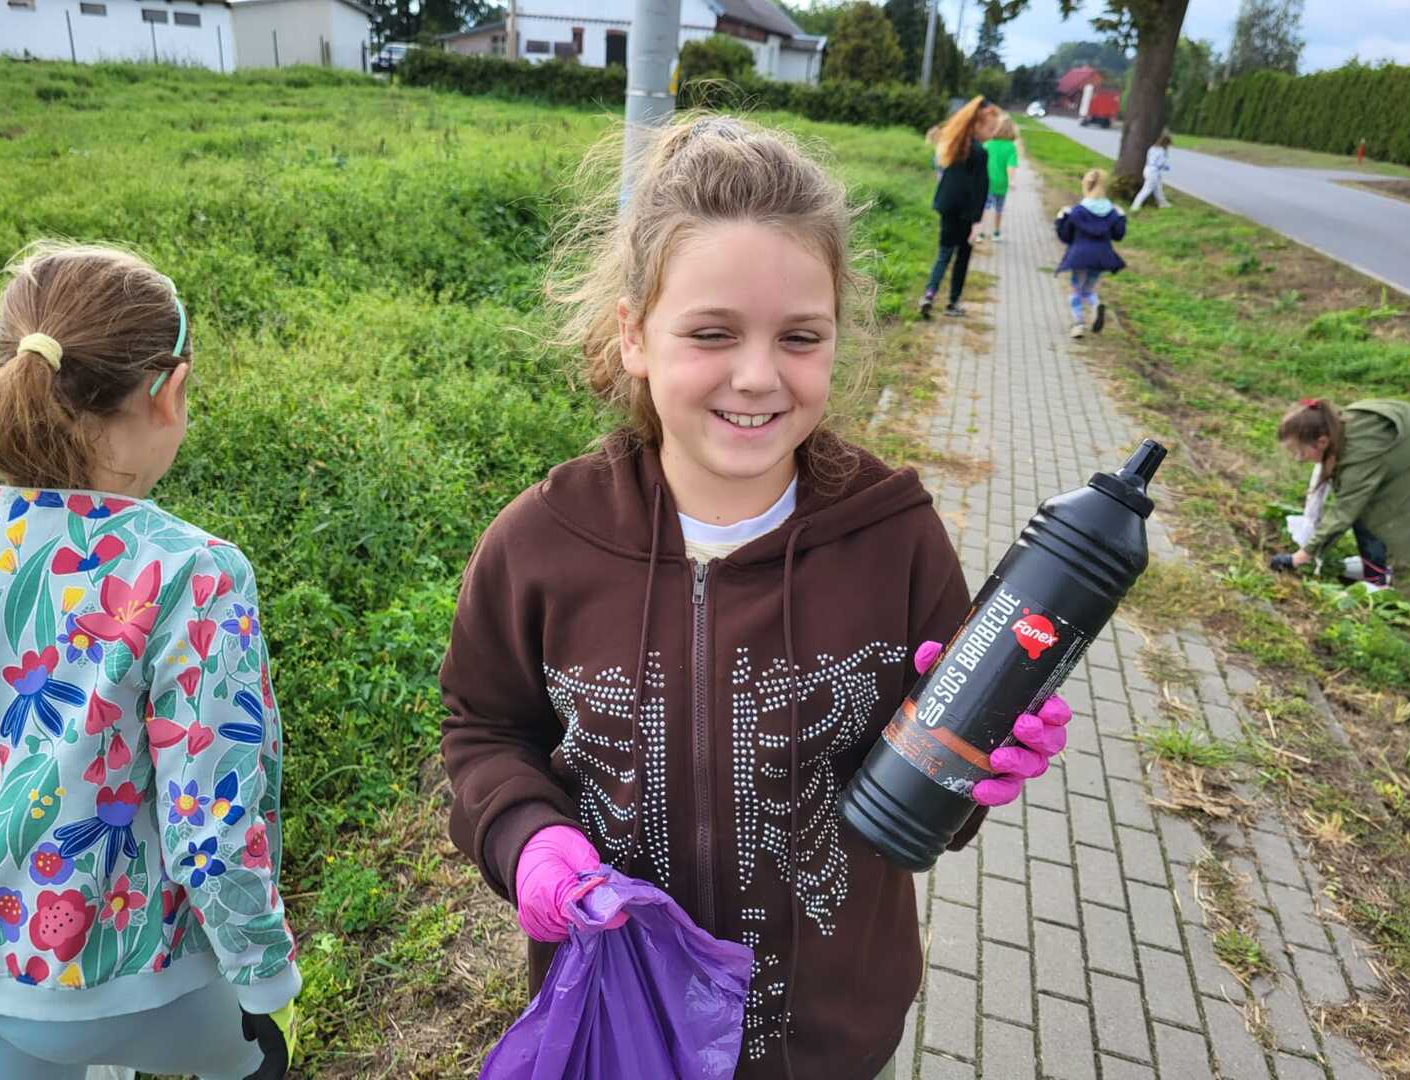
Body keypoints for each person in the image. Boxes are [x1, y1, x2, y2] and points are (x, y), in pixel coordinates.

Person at [439, 115, 1071, 1080]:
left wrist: (977, 761)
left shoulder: (896, 541)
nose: (758, 376)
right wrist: (527, 840)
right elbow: (483, 727)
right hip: (622, 1022)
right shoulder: (539, 544)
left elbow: (934, 795)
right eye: (711, 332)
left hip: (830, 1038)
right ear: (632, 334)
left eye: (800, 337)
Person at [0, 243, 298, 1080]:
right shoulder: (193, 570)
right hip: (147, 986)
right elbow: (212, 820)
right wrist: (267, 980)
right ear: (168, 391)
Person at [1269, 398, 1410, 587]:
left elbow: (1346, 509)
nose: (1298, 459)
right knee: (1370, 503)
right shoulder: (1339, 426)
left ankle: (1377, 578)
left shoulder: (1360, 451)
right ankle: (1377, 566)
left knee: (1369, 510)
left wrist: (1300, 557)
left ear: (1321, 442)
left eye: (1300, 452)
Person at [919, 96, 998, 320]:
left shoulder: (954, 145)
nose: (992, 133)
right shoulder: (980, 153)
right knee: (962, 257)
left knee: (943, 254)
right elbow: (980, 189)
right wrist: (978, 222)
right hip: (966, 214)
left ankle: (929, 294)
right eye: (990, 128)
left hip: (947, 208)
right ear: (977, 125)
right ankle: (953, 302)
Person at [1055, 168, 1127, 339]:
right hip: (1102, 256)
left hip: (1080, 256)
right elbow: (1118, 235)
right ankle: (1096, 307)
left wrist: (1060, 219)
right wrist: (1122, 218)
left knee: (1076, 289)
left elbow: (1065, 236)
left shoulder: (1077, 211)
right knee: (1088, 290)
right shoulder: (1112, 212)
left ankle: (1078, 324)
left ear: (1086, 185)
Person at [976, 112, 1019, 243]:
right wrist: (1011, 181)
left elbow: (980, 161)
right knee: (999, 209)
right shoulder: (1011, 147)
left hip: (987, 182)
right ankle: (996, 233)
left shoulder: (988, 144)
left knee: (985, 208)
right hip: (1002, 184)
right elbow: (1011, 166)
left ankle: (981, 233)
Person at [1130, 129, 1173, 212]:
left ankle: (1163, 203)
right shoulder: (1162, 151)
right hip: (1154, 171)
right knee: (1147, 189)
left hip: (1147, 169)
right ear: (1166, 143)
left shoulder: (1152, 148)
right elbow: (1161, 163)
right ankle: (1135, 206)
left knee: (1158, 188)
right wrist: (1165, 167)